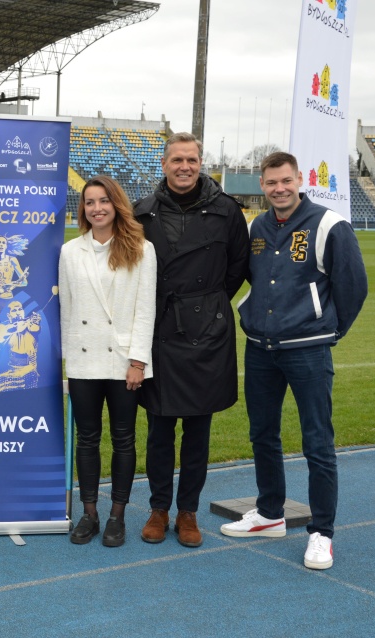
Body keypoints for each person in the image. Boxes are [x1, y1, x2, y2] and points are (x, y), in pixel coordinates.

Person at [220, 152, 367, 570]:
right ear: (262, 185)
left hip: (308, 349)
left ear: (299, 179)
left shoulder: (328, 224)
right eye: (271, 183)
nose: (279, 189)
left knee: (317, 442)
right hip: (261, 349)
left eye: (286, 181)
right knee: (262, 434)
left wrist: (328, 330)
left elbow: (353, 286)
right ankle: (269, 513)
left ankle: (322, 532)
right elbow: (255, 279)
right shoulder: (257, 227)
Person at [133, 132, 249, 548]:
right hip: (159, 333)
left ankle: (188, 512)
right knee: (159, 431)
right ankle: (159, 508)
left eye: (192, 160)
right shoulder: (141, 213)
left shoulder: (227, 211)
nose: (185, 167)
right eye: (177, 160)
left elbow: (236, 269)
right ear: (164, 164)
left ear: (202, 164)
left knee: (198, 432)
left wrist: (210, 309)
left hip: (207, 336)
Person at [60, 175, 157, 548]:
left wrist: (138, 361)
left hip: (123, 362)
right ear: (83, 209)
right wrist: (69, 360)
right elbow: (68, 309)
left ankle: (116, 515)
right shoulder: (71, 252)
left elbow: (144, 311)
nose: (97, 208)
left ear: (116, 204)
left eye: (103, 201)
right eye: (89, 202)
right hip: (84, 361)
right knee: (87, 439)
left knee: (123, 439)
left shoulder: (141, 249)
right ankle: (89, 513)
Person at [0, 300, 42, 392]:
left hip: (28, 372)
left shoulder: (30, 325)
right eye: (14, 310)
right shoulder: (2, 327)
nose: (18, 312)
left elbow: (35, 328)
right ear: (8, 315)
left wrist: (36, 322)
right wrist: (20, 325)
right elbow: (12, 329)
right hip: (6, 374)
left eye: (20, 309)